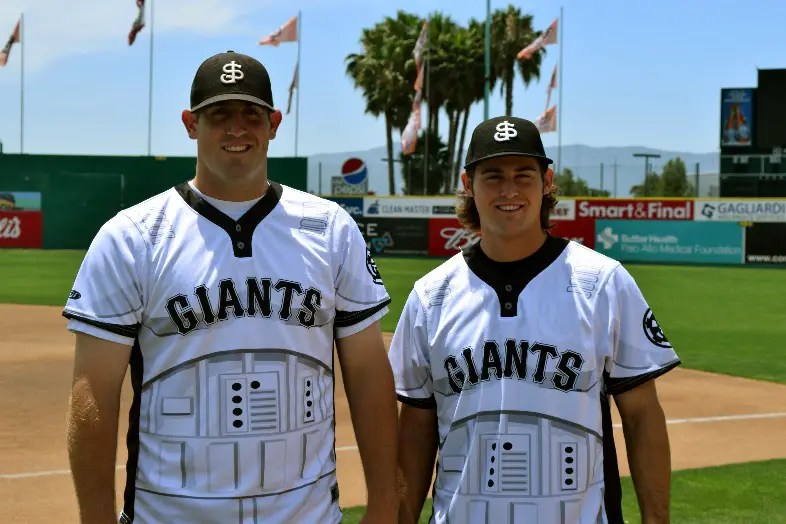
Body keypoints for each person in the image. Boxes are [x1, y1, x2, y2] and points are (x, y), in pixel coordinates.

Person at [63, 50, 399, 524]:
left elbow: (368, 374)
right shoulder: (133, 237)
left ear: (274, 122)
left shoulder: (330, 229)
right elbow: (93, 393)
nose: (236, 128)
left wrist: (385, 504)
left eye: (251, 114)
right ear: (190, 123)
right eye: (219, 114)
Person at [389, 116, 680, 524]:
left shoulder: (603, 282)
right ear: (468, 184)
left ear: (546, 182)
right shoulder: (430, 296)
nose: (509, 190)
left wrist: (657, 519)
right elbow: (416, 430)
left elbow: (642, 415)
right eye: (493, 176)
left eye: (523, 175)